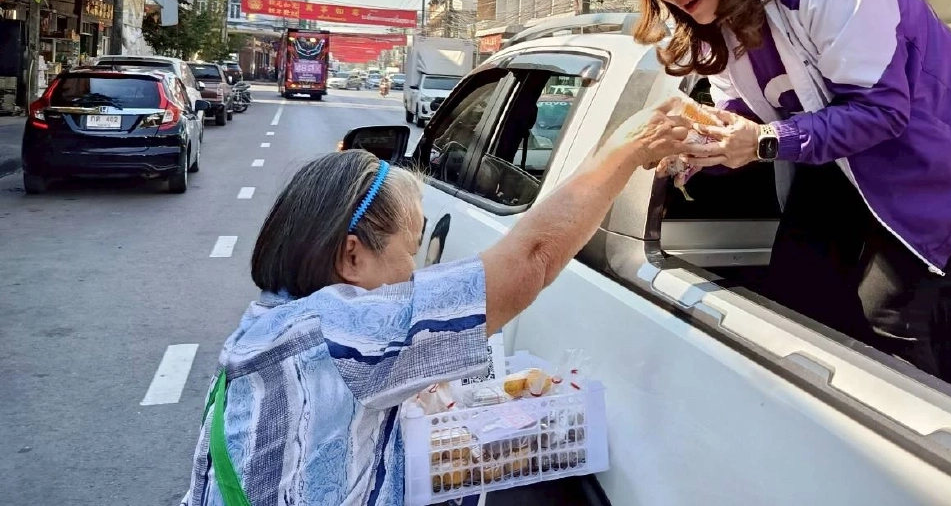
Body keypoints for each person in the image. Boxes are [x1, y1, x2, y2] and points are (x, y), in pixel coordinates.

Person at [179, 102, 701, 506]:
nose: (418, 272)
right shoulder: (342, 333)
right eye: (411, 250)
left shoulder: (273, 322)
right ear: (352, 257)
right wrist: (629, 148)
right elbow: (533, 259)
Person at [619, 0, 951, 370]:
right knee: (794, 294)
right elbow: (745, 113)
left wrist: (763, 141)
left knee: (884, 320)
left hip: (941, 149)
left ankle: (916, 447)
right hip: (845, 145)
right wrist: (699, 148)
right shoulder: (715, 15)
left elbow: (878, 112)